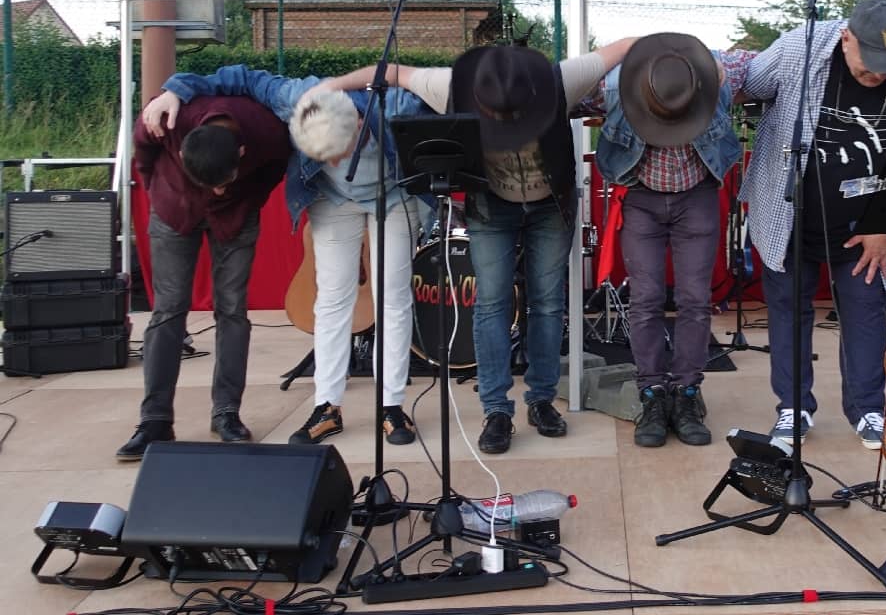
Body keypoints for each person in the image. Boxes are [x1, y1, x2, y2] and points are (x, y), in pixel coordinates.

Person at [312, 38, 636, 454]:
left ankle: (540, 400)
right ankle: (496, 409)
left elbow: (629, 45)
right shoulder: (448, 85)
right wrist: (328, 88)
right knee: (491, 304)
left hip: (551, 207)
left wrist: (706, 66)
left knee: (549, 303)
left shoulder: (562, 78)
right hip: (491, 206)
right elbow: (390, 71)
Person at [141, 67, 437, 448]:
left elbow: (443, 101)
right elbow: (237, 77)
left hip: (393, 196)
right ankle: (327, 407)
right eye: (320, 155)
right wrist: (174, 92)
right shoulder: (295, 96)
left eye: (338, 153)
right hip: (332, 199)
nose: (331, 162)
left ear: (359, 124)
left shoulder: (397, 105)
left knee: (392, 298)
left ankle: (391, 406)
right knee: (332, 298)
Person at [741, 0, 886, 448]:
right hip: (787, 211)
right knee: (788, 311)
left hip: (867, 224)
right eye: (868, 63)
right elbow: (746, 81)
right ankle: (793, 409)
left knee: (866, 313)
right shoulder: (799, 49)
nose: (876, 75)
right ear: (847, 37)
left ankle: (868, 409)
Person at [589, 33, 752, 447]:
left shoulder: (718, 72)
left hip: (695, 196)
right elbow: (567, 85)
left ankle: (687, 393)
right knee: (644, 299)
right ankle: (652, 394)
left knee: (695, 299)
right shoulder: (613, 82)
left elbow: (762, 65)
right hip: (641, 196)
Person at [116, 96, 292, 461]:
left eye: (222, 183)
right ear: (182, 152)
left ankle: (226, 412)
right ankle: (155, 420)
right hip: (174, 208)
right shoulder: (166, 120)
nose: (216, 190)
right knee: (167, 310)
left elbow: (276, 168)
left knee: (232, 311)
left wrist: (244, 199)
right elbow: (143, 151)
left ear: (242, 152)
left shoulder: (268, 133)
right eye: (211, 185)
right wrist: (155, 189)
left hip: (237, 215)